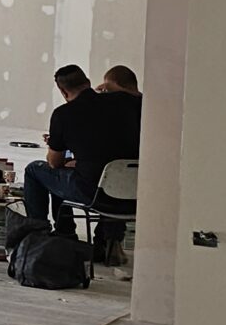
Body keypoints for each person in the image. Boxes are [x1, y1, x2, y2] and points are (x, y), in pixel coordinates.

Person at [21, 62, 141, 235]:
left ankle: (42, 234)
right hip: (131, 191)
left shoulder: (63, 114)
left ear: (63, 92)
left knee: (36, 170)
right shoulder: (125, 104)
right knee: (70, 174)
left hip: (92, 193)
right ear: (89, 83)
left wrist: (62, 148)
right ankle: (106, 241)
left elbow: (54, 163)